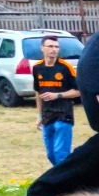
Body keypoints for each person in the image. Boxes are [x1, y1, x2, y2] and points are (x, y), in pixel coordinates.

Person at [31, 35, 80, 167]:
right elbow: (38, 93)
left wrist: (57, 95)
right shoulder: (37, 68)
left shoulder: (65, 68)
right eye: (50, 46)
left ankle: (66, 185)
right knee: (51, 155)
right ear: (42, 48)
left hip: (64, 115)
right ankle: (68, 176)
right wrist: (39, 115)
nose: (54, 49)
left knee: (60, 154)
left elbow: (78, 91)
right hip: (47, 116)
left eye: (56, 47)